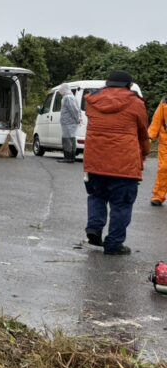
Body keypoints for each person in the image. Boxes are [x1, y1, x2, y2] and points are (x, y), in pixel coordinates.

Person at [83, 70, 150, 255]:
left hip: (95, 160)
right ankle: (113, 245)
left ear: (107, 83)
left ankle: (94, 228)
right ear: (129, 85)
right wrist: (145, 152)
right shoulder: (136, 103)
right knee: (121, 205)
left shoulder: (92, 101)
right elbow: (143, 133)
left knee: (97, 196)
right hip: (124, 164)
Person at [148, 97, 167, 207]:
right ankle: (158, 196)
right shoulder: (165, 102)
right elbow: (157, 120)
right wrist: (150, 137)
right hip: (165, 143)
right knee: (163, 169)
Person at [58, 84, 82, 164]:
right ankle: (71, 158)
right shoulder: (71, 97)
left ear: (64, 89)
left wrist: (77, 119)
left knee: (67, 140)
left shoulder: (68, 98)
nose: (60, 92)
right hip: (69, 122)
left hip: (69, 123)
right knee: (71, 139)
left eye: (61, 90)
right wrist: (78, 119)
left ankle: (68, 158)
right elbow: (76, 109)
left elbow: (73, 110)